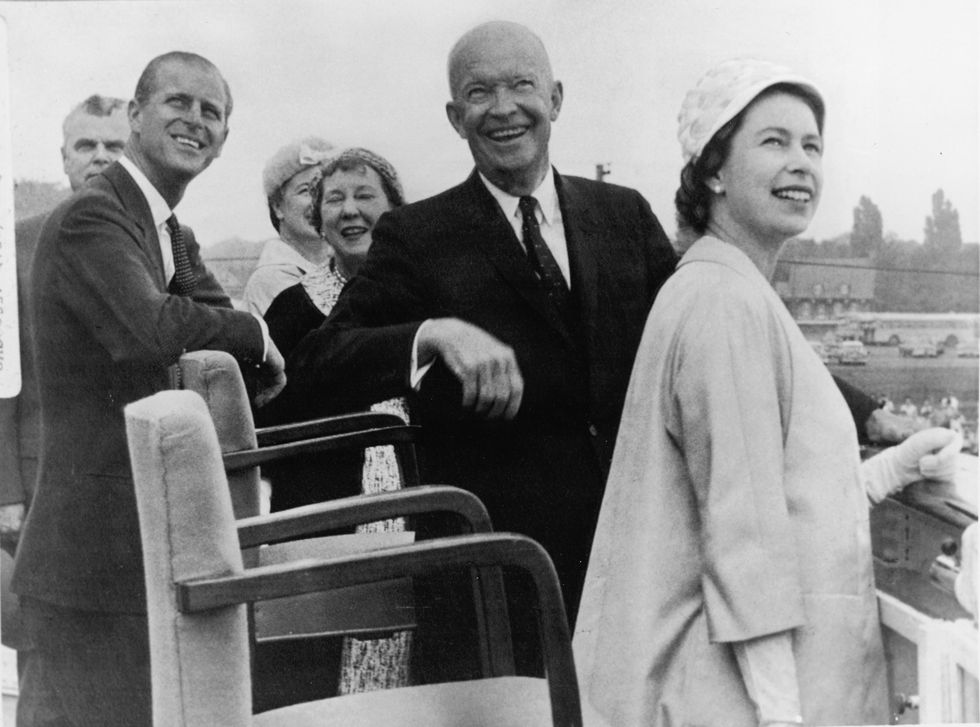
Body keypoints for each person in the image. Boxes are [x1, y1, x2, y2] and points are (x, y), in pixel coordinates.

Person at [573, 58, 962, 727]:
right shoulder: (724, 302)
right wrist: (784, 715)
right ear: (715, 171)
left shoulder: (720, 287)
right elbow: (743, 539)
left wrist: (893, 469)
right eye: (773, 141)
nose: (801, 163)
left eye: (812, 145)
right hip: (723, 695)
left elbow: (774, 489)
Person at [278, 22, 679, 656]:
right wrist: (432, 334)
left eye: (522, 85)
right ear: (454, 116)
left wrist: (871, 416)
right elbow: (316, 362)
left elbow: (698, 337)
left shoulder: (623, 214)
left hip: (636, 559)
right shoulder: (417, 234)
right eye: (478, 92)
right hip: (496, 580)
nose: (502, 108)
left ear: (556, 98)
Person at [11, 51, 286, 726]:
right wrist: (251, 333)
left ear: (223, 139)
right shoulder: (90, 217)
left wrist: (252, 343)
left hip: (131, 548)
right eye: (177, 103)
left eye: (211, 111)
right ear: (136, 115)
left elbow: (225, 337)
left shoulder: (171, 233)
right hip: (90, 561)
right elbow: (150, 329)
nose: (195, 120)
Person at [265, 146, 412, 694]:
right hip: (321, 522)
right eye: (335, 199)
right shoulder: (290, 309)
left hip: (422, 515)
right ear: (318, 219)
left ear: (395, 210)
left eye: (365, 195)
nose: (349, 211)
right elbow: (274, 420)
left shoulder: (428, 296)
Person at [0, 94, 130, 672]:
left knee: (122, 652)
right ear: (64, 156)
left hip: (126, 479)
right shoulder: (15, 245)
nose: (100, 157)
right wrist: (5, 489)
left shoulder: (154, 238)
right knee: (41, 649)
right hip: (40, 478)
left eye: (115, 146)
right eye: (87, 145)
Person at [242, 136, 335, 317]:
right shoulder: (272, 279)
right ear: (277, 207)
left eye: (327, 191)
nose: (318, 203)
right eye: (306, 190)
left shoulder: (337, 266)